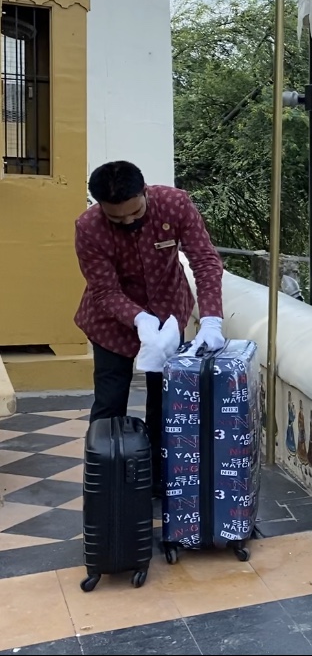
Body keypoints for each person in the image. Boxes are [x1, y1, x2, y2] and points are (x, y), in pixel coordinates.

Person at [74, 161, 226, 491]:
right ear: (100, 207)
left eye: (135, 213)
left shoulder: (175, 204)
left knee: (166, 403)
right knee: (110, 401)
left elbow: (204, 260)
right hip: (111, 324)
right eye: (117, 218)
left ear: (145, 192)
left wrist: (212, 318)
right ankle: (105, 481)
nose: (128, 222)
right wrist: (139, 319)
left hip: (170, 316)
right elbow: (104, 290)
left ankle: (160, 480)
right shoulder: (89, 228)